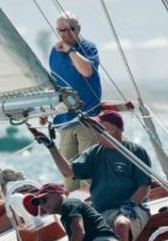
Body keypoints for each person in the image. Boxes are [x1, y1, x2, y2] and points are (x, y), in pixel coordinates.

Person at [36, 110, 152, 241]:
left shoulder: (135, 151)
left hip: (131, 208)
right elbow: (68, 172)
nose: (93, 131)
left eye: (97, 126)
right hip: (100, 211)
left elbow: (144, 187)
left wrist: (128, 206)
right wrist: (51, 146)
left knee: (121, 224)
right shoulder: (93, 153)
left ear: (111, 129)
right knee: (78, 231)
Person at [48, 11, 102, 191]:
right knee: (69, 173)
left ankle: (93, 208)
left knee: (87, 170)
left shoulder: (88, 48)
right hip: (64, 119)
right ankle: (73, 209)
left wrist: (70, 50)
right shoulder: (54, 53)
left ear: (78, 29)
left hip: (86, 118)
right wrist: (49, 108)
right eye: (61, 30)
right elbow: (54, 82)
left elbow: (86, 71)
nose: (66, 33)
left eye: (71, 29)